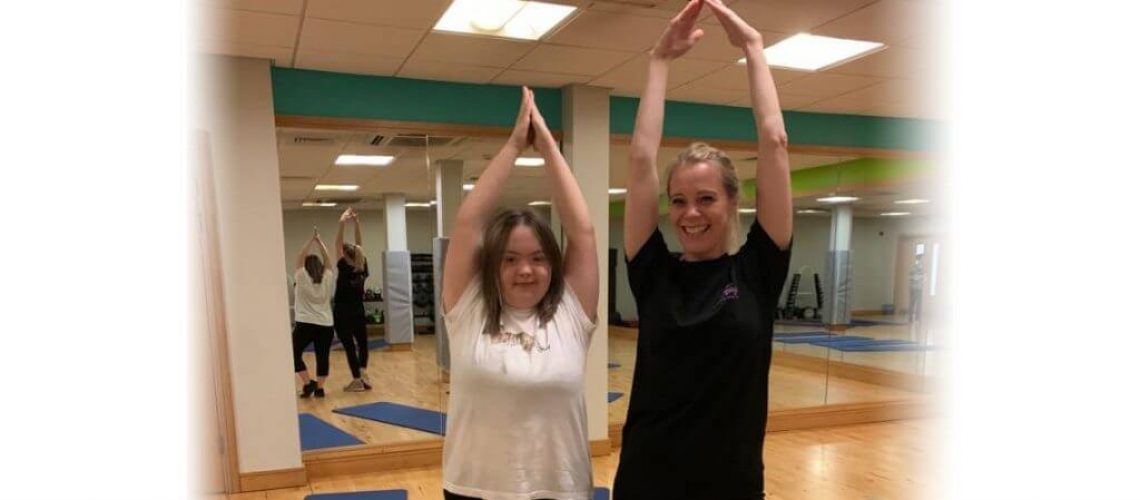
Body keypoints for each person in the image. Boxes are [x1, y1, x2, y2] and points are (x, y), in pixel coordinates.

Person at [611, 1, 793, 498]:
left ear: (734, 202)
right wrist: (658, 62)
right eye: (679, 201)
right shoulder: (653, 273)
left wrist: (754, 51)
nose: (691, 213)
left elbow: (774, 141)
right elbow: (641, 157)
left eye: (706, 199)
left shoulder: (758, 269)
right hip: (649, 479)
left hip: (729, 484)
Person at [439, 87, 599, 500]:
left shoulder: (571, 311)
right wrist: (513, 146)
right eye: (510, 259)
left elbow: (582, 234)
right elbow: (467, 225)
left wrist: (548, 146)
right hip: (474, 489)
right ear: (493, 265)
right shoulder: (467, 306)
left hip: (561, 490)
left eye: (537, 258)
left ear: (553, 264)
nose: (525, 270)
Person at [291, 229, 338, 399]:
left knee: (293, 353)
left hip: (305, 323)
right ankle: (319, 388)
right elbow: (328, 261)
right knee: (322, 356)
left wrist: (311, 241)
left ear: (306, 267)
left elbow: (299, 256)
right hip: (326, 325)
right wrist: (320, 243)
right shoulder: (327, 277)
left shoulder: (302, 277)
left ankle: (307, 382)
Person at [334, 207, 372, 392]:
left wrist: (342, 223)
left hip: (342, 312)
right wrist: (356, 224)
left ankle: (357, 380)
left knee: (349, 345)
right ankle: (362, 371)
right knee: (363, 343)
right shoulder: (361, 266)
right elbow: (360, 245)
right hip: (358, 310)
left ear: (345, 255)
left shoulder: (344, 267)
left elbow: (337, 243)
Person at [908, 256, 925, 323]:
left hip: (920, 288)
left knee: (919, 304)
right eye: (922, 259)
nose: (923, 261)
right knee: (912, 303)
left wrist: (922, 278)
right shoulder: (914, 268)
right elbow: (913, 277)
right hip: (914, 288)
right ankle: (910, 318)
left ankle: (917, 318)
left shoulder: (922, 268)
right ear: (919, 260)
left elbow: (924, 278)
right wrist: (920, 277)